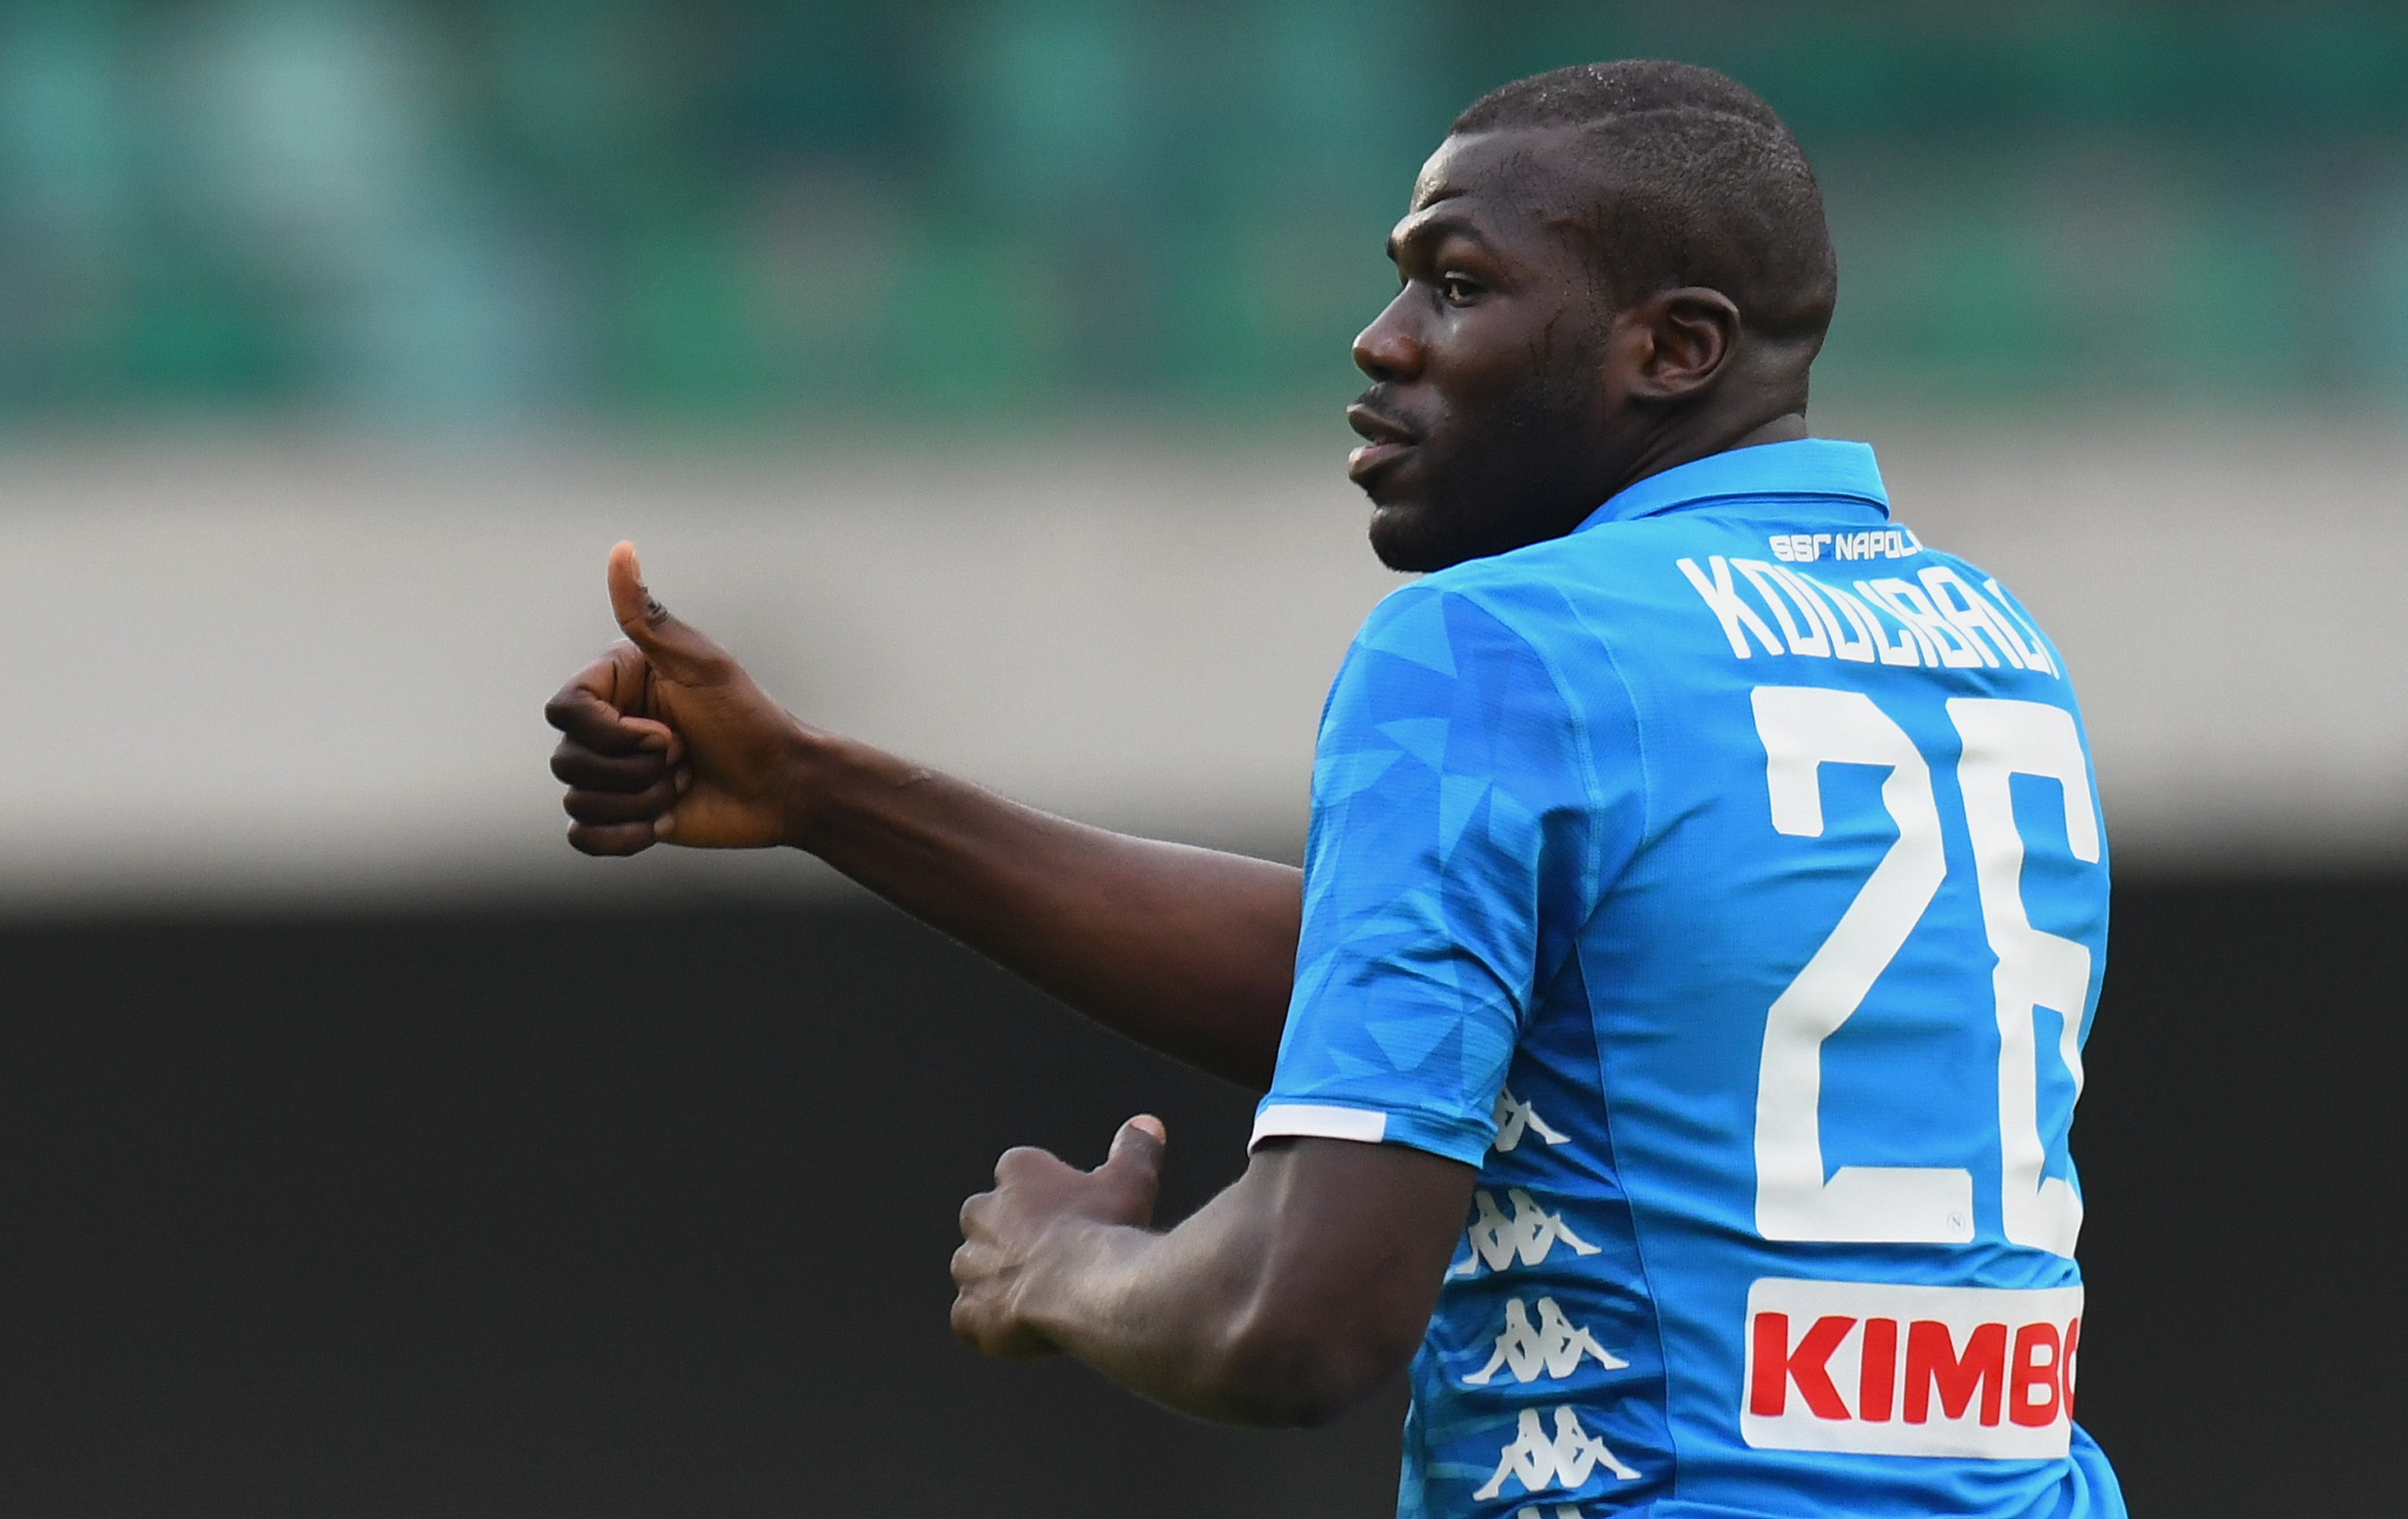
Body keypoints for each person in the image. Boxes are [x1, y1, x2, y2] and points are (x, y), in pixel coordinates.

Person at [543, 60, 2122, 1519]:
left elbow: (1299, 1314)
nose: (1384, 340)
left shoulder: (1491, 643)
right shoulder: (1989, 644)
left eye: (1457, 282)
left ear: (1672, 347)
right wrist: (824, 792)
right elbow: (1457, 989)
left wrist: (1064, 1265)